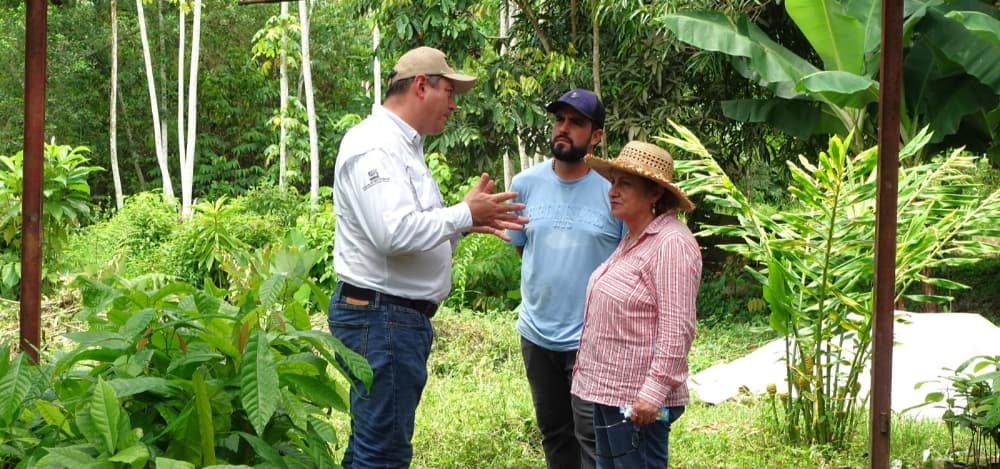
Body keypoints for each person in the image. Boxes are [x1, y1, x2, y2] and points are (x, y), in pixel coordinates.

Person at [328, 46, 528, 469]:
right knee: (382, 453)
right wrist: (463, 213)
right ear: (422, 85)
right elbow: (392, 233)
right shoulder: (374, 146)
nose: (454, 105)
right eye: (450, 92)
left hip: (393, 319)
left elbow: (417, 234)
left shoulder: (405, 148)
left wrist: (461, 222)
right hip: (381, 318)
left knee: (372, 444)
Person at [506, 88, 625, 469]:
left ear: (596, 136)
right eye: (559, 120)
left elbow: (626, 264)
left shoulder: (615, 193)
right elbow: (523, 248)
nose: (563, 128)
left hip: (592, 341)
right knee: (555, 435)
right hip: (537, 336)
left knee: (594, 440)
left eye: (576, 122)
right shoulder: (524, 184)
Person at [572, 141, 701, 468]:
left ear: (655, 193)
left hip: (639, 402)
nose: (612, 191)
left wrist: (653, 393)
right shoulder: (633, 237)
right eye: (613, 182)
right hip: (612, 393)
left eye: (625, 183)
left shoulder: (671, 243)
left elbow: (678, 328)